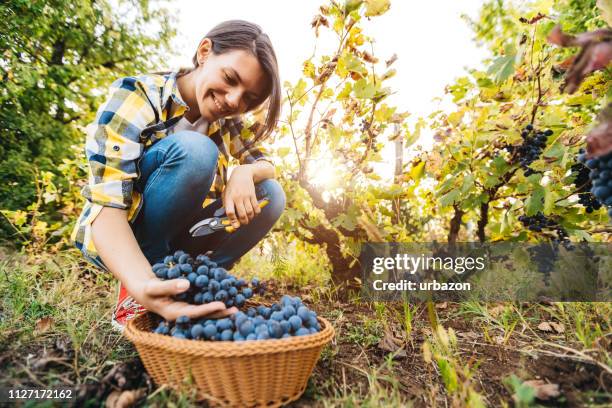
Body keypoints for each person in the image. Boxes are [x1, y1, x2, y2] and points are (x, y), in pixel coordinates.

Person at [70, 20, 285, 330]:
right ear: (204, 51)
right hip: (121, 235)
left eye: (249, 98)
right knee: (197, 151)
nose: (235, 101)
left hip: (182, 240)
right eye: (230, 78)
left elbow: (267, 164)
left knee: (271, 194)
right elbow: (107, 209)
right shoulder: (138, 96)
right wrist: (143, 285)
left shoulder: (229, 122)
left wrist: (246, 171)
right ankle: (144, 285)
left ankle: (198, 285)